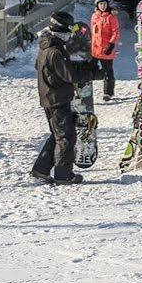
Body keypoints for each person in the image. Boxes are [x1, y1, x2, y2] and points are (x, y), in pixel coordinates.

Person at [31, 11, 99, 185]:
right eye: (68, 31)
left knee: (57, 135)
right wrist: (89, 73)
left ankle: (41, 169)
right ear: (62, 30)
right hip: (56, 98)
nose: (70, 35)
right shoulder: (55, 51)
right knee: (66, 138)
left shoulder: (47, 46)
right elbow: (70, 75)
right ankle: (63, 175)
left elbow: (46, 68)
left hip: (52, 96)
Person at [88, 0, 121, 101]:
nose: (103, 6)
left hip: (106, 49)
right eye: (101, 4)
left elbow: (115, 32)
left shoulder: (111, 17)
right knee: (89, 70)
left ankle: (108, 92)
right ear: (97, 5)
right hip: (95, 49)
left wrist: (111, 45)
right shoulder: (94, 16)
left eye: (104, 4)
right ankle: (85, 90)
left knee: (108, 71)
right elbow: (92, 32)